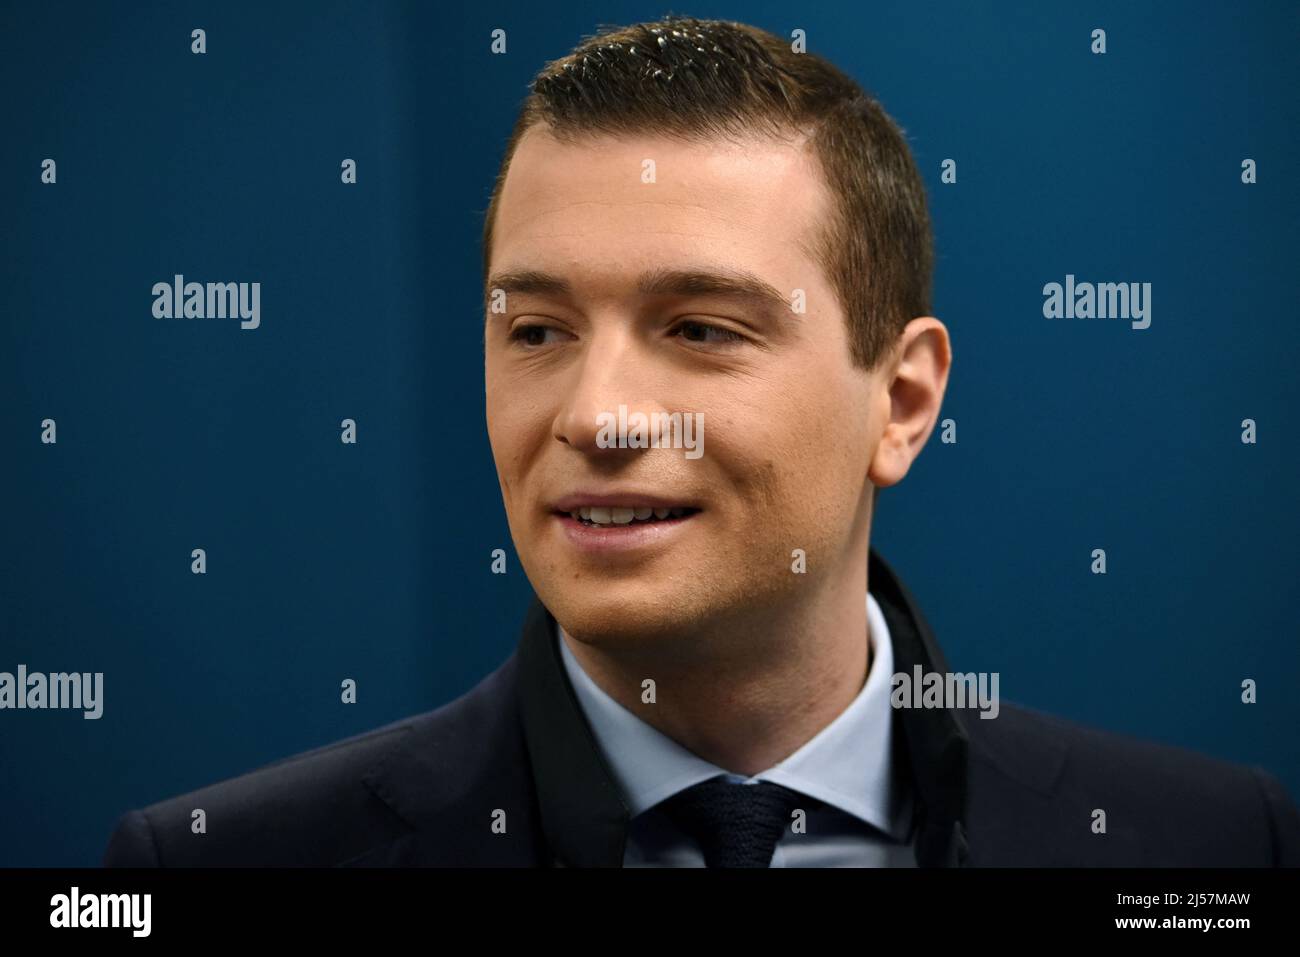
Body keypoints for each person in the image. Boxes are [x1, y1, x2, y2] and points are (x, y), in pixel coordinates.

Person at [104, 15, 1299, 868]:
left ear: (900, 402)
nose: (595, 415)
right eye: (535, 330)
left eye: (698, 327)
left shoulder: (1210, 850)